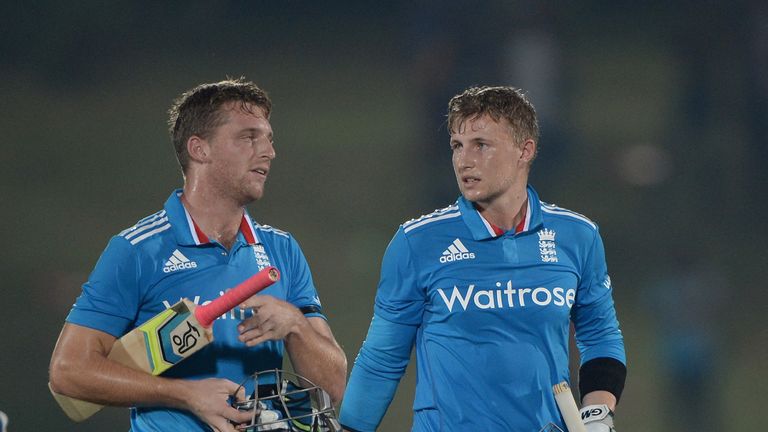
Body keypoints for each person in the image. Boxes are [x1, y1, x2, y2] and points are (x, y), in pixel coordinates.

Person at [49, 78, 347, 432]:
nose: (268, 151)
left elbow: (334, 385)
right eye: (249, 137)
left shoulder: (282, 250)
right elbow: (69, 372)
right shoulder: (138, 250)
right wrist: (185, 395)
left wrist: (296, 326)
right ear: (199, 149)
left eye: (269, 139)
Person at [339, 86, 626, 431]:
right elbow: (382, 359)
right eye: (457, 146)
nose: (464, 160)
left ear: (525, 150)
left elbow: (599, 335)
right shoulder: (417, 242)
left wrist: (597, 415)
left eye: (481, 145)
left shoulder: (578, 236)